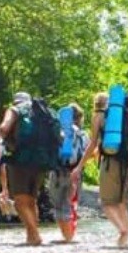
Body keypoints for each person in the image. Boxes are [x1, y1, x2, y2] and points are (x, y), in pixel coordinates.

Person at [0, 91, 61, 246]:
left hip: (20, 159)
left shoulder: (15, 110)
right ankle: (30, 237)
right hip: (42, 161)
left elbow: (4, 128)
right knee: (31, 200)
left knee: (20, 201)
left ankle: (35, 234)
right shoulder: (44, 112)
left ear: (15, 101)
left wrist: (4, 142)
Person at [72, 92, 128, 247]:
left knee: (106, 203)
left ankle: (122, 231)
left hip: (110, 162)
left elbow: (92, 144)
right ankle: (126, 240)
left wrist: (79, 167)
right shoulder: (122, 115)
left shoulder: (98, 116)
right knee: (121, 202)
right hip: (127, 161)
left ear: (95, 104)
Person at [48, 103, 89, 243]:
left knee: (58, 206)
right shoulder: (82, 134)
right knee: (68, 205)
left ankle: (66, 238)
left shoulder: (58, 130)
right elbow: (87, 153)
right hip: (75, 174)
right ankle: (68, 239)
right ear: (80, 118)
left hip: (57, 173)